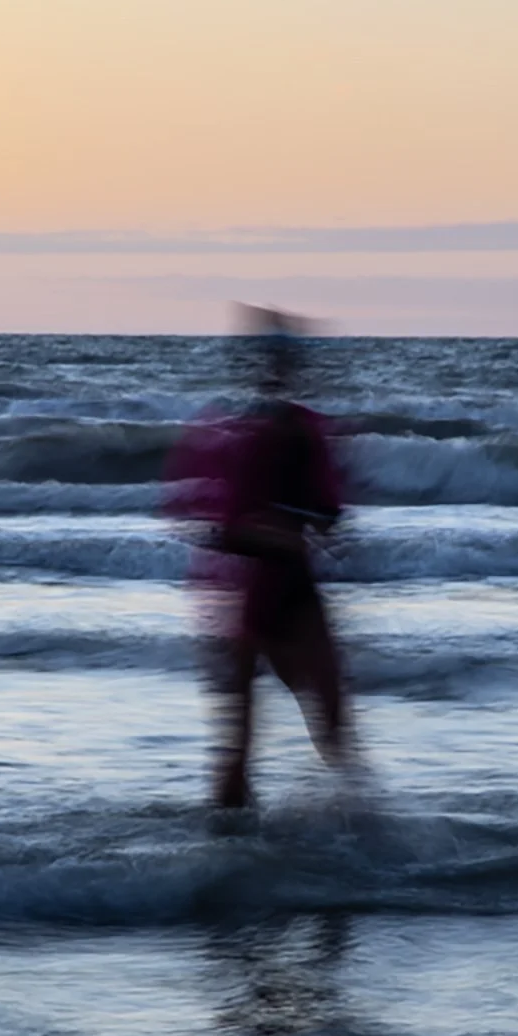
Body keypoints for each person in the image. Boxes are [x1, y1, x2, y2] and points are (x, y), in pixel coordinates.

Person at [167, 308, 351, 813]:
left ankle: (227, 856)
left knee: (243, 739)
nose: (279, 367)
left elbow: (205, 514)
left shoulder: (233, 428)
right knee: (327, 732)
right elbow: (326, 514)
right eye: (279, 358)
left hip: (249, 592)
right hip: (274, 588)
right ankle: (361, 847)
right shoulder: (286, 429)